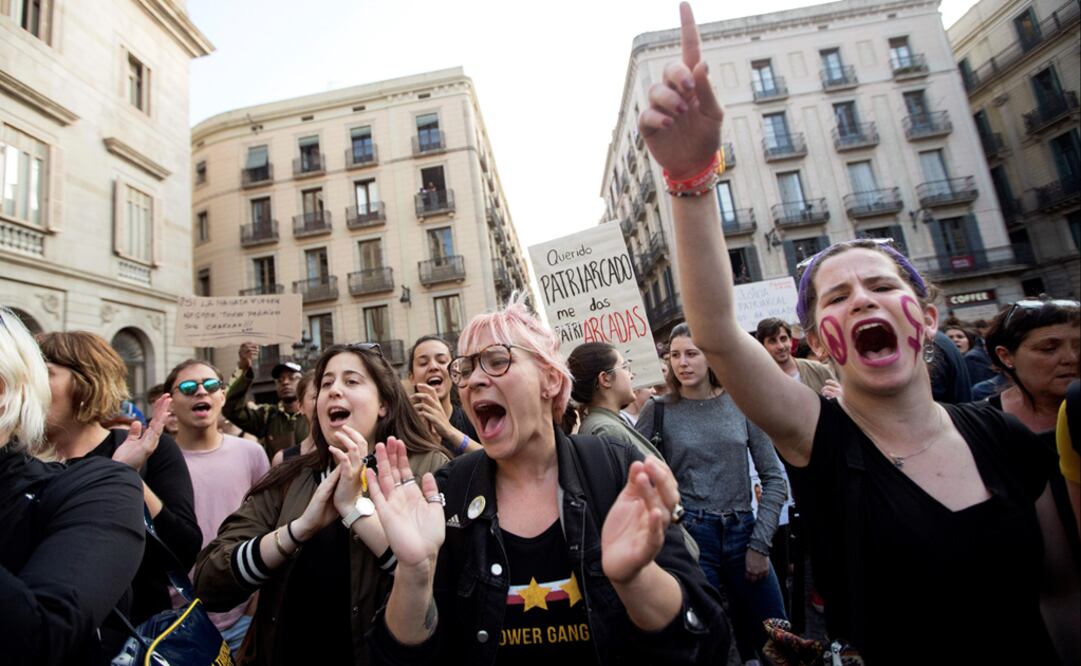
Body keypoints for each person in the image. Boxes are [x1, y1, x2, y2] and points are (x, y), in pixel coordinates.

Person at [636, 7, 1079, 660]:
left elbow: (1060, 593)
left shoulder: (1005, 439)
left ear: (923, 318)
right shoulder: (820, 437)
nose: (862, 298)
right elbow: (718, 335)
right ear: (818, 339)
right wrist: (689, 181)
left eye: (880, 286)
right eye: (838, 296)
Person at [366, 298, 729, 665]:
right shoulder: (448, 491)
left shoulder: (614, 469)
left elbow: (708, 639)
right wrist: (414, 573)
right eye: (466, 368)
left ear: (551, 380)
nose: (474, 380)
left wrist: (635, 579)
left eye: (497, 360)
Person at [194, 343, 448, 665]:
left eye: (351, 381)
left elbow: (442, 589)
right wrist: (297, 530)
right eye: (326, 384)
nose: (333, 391)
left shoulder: (428, 469)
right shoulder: (289, 476)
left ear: (383, 403)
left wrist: (354, 511)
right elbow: (209, 581)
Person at [1, 308, 146, 666]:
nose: (39, 384)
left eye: (48, 373)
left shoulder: (98, 484)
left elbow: (42, 638)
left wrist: (129, 474)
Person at [636, 323, 786, 664]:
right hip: (691, 537)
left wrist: (760, 545)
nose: (682, 363)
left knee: (778, 638)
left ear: (711, 357)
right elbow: (641, 478)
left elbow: (775, 478)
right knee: (705, 643)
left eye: (692, 353)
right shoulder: (657, 410)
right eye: (675, 355)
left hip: (744, 530)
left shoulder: (743, 402)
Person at [36, 331, 201, 625]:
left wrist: (124, 476)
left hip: (132, 635)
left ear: (87, 382)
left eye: (44, 373)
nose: (29, 384)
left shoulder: (149, 448)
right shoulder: (18, 462)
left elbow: (182, 551)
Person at [166, 359, 270, 655]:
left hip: (243, 617)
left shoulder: (251, 453)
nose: (201, 392)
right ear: (170, 401)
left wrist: (255, 603)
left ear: (222, 396)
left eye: (211, 386)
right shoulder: (156, 460)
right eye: (188, 387)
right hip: (177, 620)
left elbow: (269, 526)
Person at [568, 342, 662, 460]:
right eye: (624, 367)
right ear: (605, 379)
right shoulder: (607, 431)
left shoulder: (605, 425)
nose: (631, 375)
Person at [223, 342, 310, 459]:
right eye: (280, 379)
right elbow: (231, 409)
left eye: (292, 378)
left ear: (304, 383)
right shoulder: (267, 416)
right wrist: (244, 370)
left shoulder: (314, 413)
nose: (285, 382)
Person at [407, 335, 480, 457]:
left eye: (441, 361)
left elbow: (499, 461)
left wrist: (449, 431)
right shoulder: (401, 428)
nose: (433, 367)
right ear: (411, 377)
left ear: (454, 372)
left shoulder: (473, 417)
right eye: (423, 363)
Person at [755, 318, 835, 395]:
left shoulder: (818, 370)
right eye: (772, 341)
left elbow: (842, 401)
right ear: (762, 346)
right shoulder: (759, 382)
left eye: (783, 339)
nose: (780, 346)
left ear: (790, 340)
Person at [271, 369, 317, 466]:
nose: (286, 383)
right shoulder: (269, 416)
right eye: (315, 397)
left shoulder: (352, 450)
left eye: (292, 378)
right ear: (301, 406)